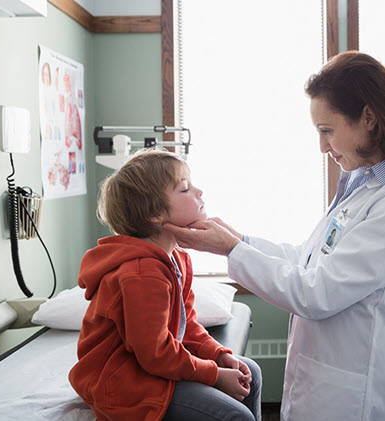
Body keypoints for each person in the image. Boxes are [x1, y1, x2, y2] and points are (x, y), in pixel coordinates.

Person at [167, 51, 385, 420]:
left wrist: (231, 249)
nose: (322, 147)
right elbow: (310, 259)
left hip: (351, 379)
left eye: (327, 131)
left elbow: (318, 292)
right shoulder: (367, 181)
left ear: (369, 118)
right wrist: (240, 242)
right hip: (323, 368)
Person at [68, 149, 262, 421]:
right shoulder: (142, 273)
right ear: (154, 214)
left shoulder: (176, 258)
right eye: (185, 189)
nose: (199, 191)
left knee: (249, 373)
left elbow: (187, 325)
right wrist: (214, 374)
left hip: (149, 369)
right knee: (234, 416)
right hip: (124, 384)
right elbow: (156, 354)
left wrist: (217, 355)